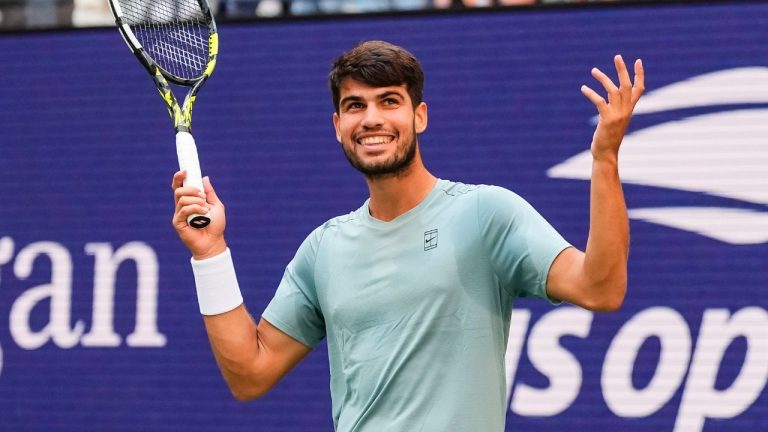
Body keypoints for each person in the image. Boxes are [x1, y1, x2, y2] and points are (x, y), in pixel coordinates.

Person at [171, 40, 644, 431]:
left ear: (420, 116)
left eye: (388, 102)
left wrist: (604, 160)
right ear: (338, 127)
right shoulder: (323, 249)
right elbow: (249, 375)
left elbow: (601, 288)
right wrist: (211, 253)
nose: (371, 119)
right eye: (354, 106)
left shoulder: (485, 213)